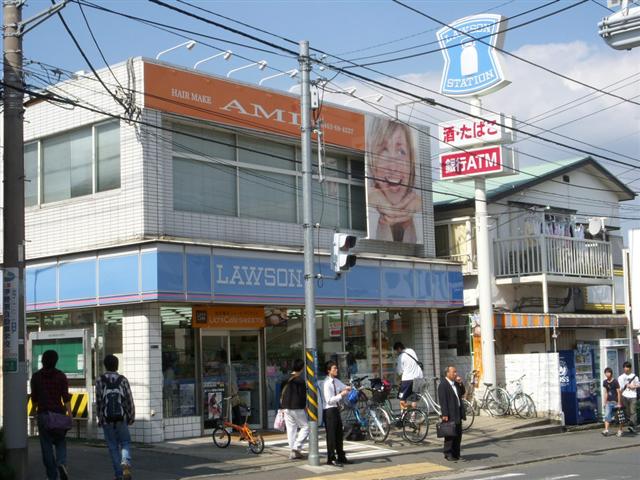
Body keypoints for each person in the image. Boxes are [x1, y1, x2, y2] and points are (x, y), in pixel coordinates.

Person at [366, 117, 422, 243]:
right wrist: (367, 199)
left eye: (401, 152)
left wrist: (420, 212)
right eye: (383, 151)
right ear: (371, 161)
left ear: (411, 163)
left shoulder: (419, 207)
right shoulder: (368, 209)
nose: (393, 167)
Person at [30, 350, 72, 480]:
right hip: (58, 415)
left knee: (46, 446)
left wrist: (36, 410)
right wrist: (69, 415)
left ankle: (52, 476)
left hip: (44, 415)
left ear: (42, 360)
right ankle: (61, 463)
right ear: (56, 361)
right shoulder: (61, 376)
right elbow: (65, 398)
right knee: (60, 442)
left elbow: (34, 398)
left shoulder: (36, 377)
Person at [96, 354, 135, 480]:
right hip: (121, 417)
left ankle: (119, 475)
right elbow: (129, 399)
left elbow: (99, 401)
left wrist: (100, 418)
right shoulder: (123, 380)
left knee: (113, 447)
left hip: (107, 419)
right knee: (125, 442)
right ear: (117, 365)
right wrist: (131, 416)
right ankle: (126, 462)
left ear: (105, 365)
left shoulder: (99, 380)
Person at [321, 360, 353, 467]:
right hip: (329, 411)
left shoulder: (335, 381)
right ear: (329, 370)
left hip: (336, 410)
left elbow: (343, 386)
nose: (336, 370)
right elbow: (329, 400)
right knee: (331, 435)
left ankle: (341, 456)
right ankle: (331, 458)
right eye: (334, 368)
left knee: (339, 433)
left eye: (336, 368)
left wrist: (348, 387)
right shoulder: (326, 384)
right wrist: (342, 394)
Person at [280, 359, 309, 460]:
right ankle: (296, 447)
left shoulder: (285, 378)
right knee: (306, 427)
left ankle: (293, 452)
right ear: (301, 368)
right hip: (297, 407)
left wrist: (282, 407)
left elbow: (281, 393)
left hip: (286, 407)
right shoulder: (300, 381)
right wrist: (304, 406)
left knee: (291, 430)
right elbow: (302, 396)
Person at [437, 365, 466, 462]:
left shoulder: (455, 383)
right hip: (449, 413)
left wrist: (461, 383)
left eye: (456, 371)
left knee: (458, 435)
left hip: (457, 412)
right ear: (448, 373)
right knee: (450, 435)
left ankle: (456, 454)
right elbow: (443, 401)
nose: (456, 373)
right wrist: (444, 414)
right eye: (454, 372)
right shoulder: (443, 385)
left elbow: (462, 392)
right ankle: (448, 453)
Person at [393, 341, 424, 411]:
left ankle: (404, 415)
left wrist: (398, 380)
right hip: (418, 377)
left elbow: (399, 372)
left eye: (396, 351)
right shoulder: (411, 350)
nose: (396, 352)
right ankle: (413, 417)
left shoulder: (400, 357)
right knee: (414, 399)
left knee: (402, 400)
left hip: (407, 379)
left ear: (398, 348)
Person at [617, 361, 639, 434]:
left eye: (628, 367)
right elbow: (620, 388)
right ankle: (630, 424)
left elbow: (638, 384)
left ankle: (633, 426)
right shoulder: (621, 377)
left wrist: (634, 386)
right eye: (625, 367)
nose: (626, 369)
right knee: (627, 412)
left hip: (633, 396)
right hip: (624, 395)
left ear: (630, 368)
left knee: (633, 412)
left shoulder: (634, 376)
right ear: (623, 368)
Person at [601, 367, 622, 437]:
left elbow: (618, 392)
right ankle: (606, 430)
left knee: (619, 417)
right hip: (609, 402)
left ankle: (620, 430)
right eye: (606, 372)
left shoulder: (615, 381)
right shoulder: (605, 382)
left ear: (611, 373)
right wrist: (604, 402)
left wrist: (619, 403)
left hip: (616, 402)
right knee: (607, 415)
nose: (607, 374)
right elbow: (606, 392)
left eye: (608, 372)